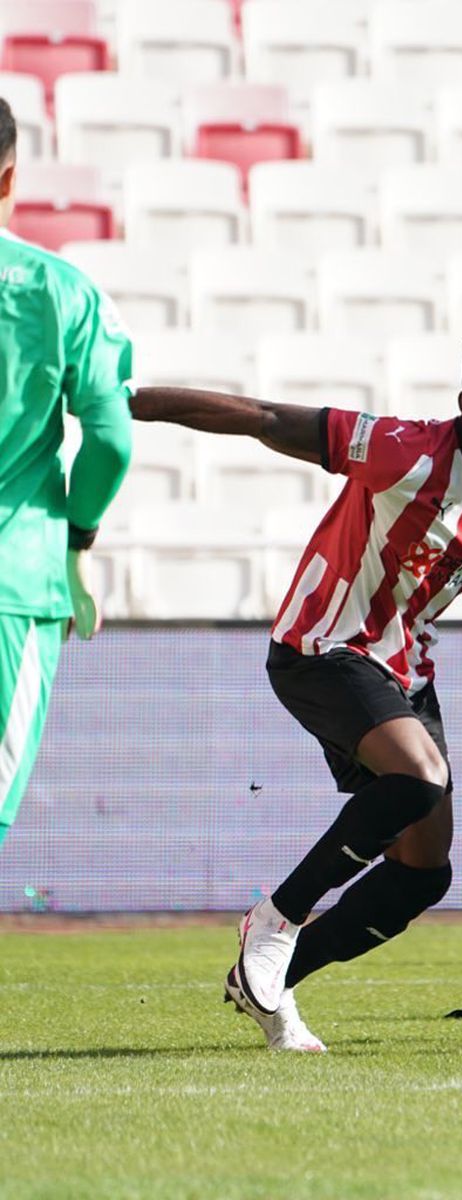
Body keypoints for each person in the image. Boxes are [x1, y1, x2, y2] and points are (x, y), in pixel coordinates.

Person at [130, 326, 462, 1052]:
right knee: (420, 777)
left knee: (423, 872)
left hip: (404, 666)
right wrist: (124, 403)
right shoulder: (403, 449)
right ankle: (275, 918)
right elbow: (266, 418)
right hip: (320, 645)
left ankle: (270, 982)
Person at [0, 97, 133, 850]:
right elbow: (110, 439)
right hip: (13, 581)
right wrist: (78, 540)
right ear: (9, 175)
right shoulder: (59, 289)